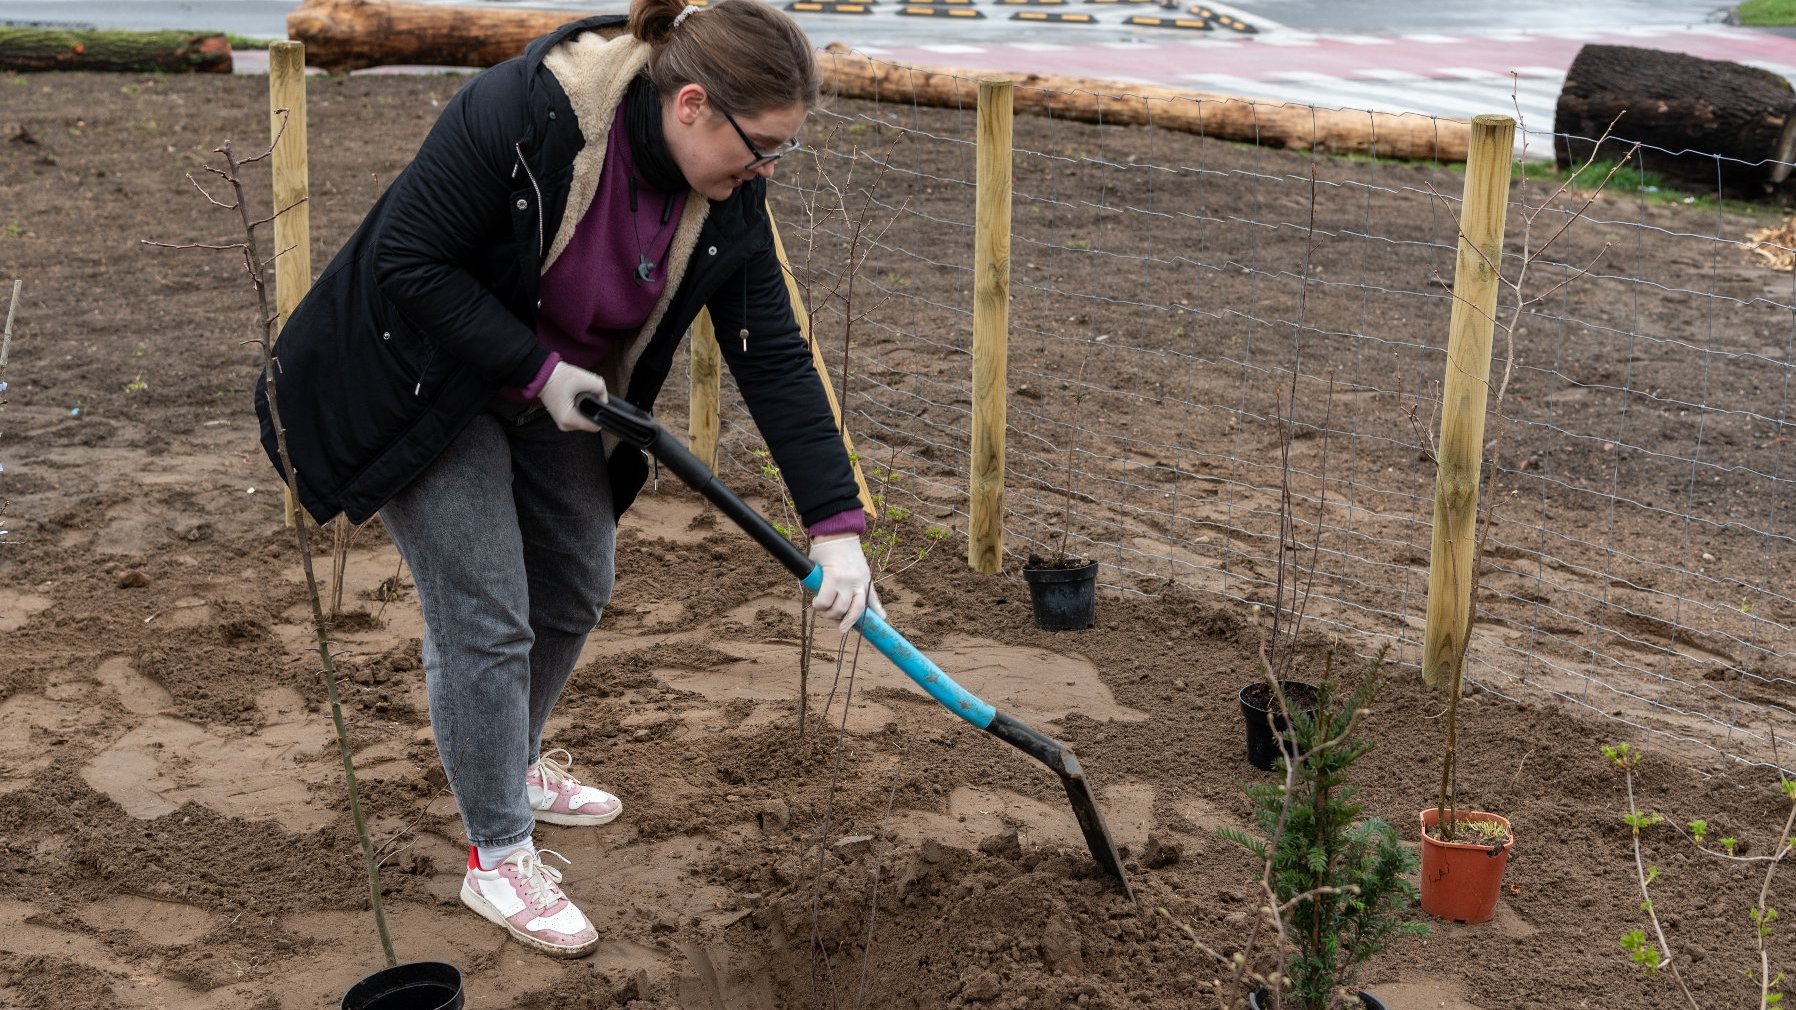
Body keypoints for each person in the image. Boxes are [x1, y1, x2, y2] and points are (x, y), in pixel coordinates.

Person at [256, 0, 882, 958]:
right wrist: (538, 370)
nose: (766, 171)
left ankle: (507, 761)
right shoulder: (525, 113)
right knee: (488, 615)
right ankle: (498, 853)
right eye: (762, 147)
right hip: (424, 377)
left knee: (580, 581)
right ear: (690, 106)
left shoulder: (728, 195)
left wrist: (834, 521)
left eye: (781, 154)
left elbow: (775, 355)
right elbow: (408, 261)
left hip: (558, 387)